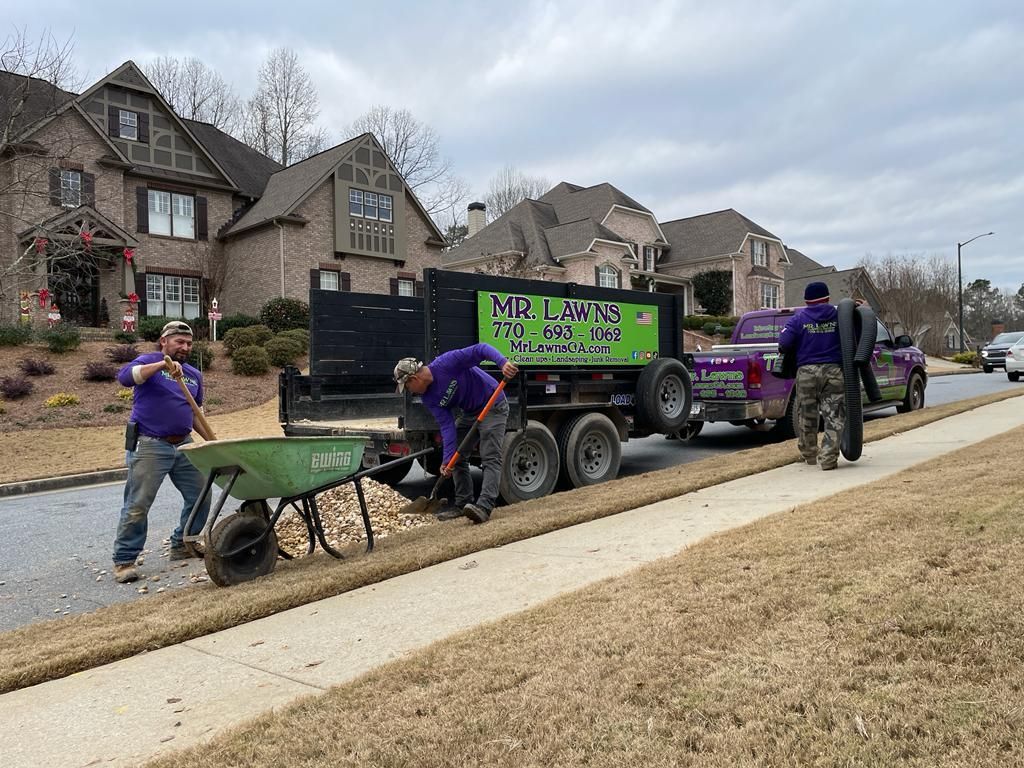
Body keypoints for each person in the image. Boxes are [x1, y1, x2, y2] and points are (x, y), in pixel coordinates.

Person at [111, 321, 211, 583]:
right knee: (138, 503)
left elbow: (193, 413)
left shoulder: (193, 375)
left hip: (184, 442)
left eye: (188, 343)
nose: (185, 347)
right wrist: (161, 365)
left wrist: (210, 441)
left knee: (201, 493)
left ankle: (182, 544)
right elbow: (124, 378)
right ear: (163, 341)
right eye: (179, 341)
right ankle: (124, 560)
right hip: (150, 443)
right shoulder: (149, 361)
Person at [395, 344, 519, 524]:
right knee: (457, 456)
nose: (409, 392)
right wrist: (447, 460)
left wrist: (502, 363)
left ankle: (484, 506)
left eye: (407, 387)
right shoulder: (428, 398)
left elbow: (481, 349)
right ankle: (463, 503)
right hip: (471, 413)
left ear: (414, 379)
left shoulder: (447, 363)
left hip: (493, 404)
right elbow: (447, 426)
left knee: (490, 456)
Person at [778, 281, 845, 471]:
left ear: (806, 300)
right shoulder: (840, 315)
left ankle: (809, 454)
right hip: (833, 371)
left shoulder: (798, 319)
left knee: (807, 414)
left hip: (806, 372)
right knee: (834, 415)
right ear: (827, 297)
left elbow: (784, 342)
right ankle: (828, 458)